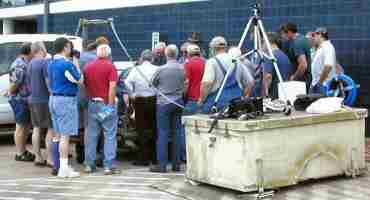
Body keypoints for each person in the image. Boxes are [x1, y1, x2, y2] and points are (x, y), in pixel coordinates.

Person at [84, 44, 120, 175]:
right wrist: (110, 106)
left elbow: (85, 85)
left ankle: (89, 165)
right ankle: (108, 166)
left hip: (92, 103)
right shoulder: (111, 67)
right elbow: (112, 87)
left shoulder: (88, 67)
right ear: (109, 54)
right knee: (109, 135)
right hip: (105, 103)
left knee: (92, 135)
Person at [48, 37, 82, 178]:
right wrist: (76, 64)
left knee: (57, 135)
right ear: (65, 47)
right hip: (65, 100)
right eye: (69, 46)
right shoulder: (66, 64)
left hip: (53, 98)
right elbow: (79, 79)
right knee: (65, 136)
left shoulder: (51, 63)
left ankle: (58, 165)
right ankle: (63, 169)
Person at [150, 44, 185, 173]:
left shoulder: (161, 69)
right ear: (177, 54)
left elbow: (151, 83)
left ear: (166, 54)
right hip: (178, 102)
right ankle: (176, 165)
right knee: (177, 133)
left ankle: (162, 165)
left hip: (164, 103)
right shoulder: (182, 69)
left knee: (163, 133)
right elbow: (185, 82)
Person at [198, 36, 254, 113]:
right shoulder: (237, 61)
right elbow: (250, 82)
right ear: (226, 47)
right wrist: (244, 96)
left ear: (213, 48)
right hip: (236, 103)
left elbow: (207, 83)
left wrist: (201, 100)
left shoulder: (212, 62)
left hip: (217, 103)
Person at [125, 49, 158, 166]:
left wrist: (132, 94)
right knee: (154, 129)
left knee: (141, 130)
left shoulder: (136, 69)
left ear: (141, 58)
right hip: (154, 100)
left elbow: (127, 82)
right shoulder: (157, 69)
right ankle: (154, 157)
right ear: (152, 59)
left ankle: (143, 158)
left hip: (139, 100)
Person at [27, 41, 54, 167]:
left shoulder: (30, 64)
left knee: (36, 129)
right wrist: (53, 94)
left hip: (33, 100)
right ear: (42, 49)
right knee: (50, 129)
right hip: (44, 100)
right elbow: (48, 82)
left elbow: (28, 84)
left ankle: (38, 157)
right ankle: (49, 158)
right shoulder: (45, 63)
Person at [8, 42, 35, 162]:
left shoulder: (24, 63)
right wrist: (11, 92)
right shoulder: (20, 65)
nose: (34, 54)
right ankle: (20, 153)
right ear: (29, 52)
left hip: (24, 99)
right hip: (19, 100)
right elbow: (15, 83)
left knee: (25, 126)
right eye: (33, 51)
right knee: (20, 127)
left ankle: (23, 150)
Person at [282, 23, 312, 91]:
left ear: (289, 32)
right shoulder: (303, 39)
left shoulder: (297, 43)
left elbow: (303, 65)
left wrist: (294, 77)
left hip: (301, 81)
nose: (283, 36)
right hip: (306, 78)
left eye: (283, 34)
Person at [263, 33, 294, 99]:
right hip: (284, 93)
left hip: (274, 95)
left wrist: (265, 93)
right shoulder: (285, 56)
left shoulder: (269, 56)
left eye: (263, 42)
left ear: (267, 42)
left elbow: (268, 76)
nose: (263, 45)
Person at [310, 27, 337, 94]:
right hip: (316, 84)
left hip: (323, 85)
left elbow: (328, 66)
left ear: (320, 35)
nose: (313, 38)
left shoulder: (328, 47)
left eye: (314, 35)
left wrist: (320, 83)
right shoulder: (321, 48)